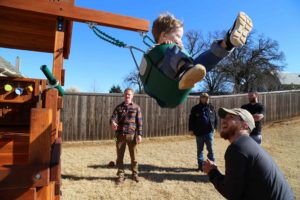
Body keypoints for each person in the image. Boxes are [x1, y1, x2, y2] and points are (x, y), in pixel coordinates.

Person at [203, 107, 294, 200]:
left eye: (231, 117)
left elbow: (231, 193)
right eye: (224, 117)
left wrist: (212, 171)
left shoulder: (238, 148)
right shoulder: (247, 145)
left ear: (245, 125)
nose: (223, 120)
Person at [150, 11, 253, 89]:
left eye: (181, 38)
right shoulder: (156, 52)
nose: (180, 40)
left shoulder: (176, 50)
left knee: (201, 63)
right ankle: (187, 70)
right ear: (164, 36)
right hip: (166, 79)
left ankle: (227, 43)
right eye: (178, 36)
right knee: (173, 50)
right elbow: (151, 59)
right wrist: (167, 46)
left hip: (181, 78)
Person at [110, 88, 143, 185]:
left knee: (134, 157)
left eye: (129, 94)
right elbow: (113, 118)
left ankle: (135, 174)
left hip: (132, 136)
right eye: (126, 94)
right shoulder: (118, 108)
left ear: (132, 96)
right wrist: (112, 122)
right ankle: (121, 175)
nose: (127, 96)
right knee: (119, 157)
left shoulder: (137, 108)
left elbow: (139, 123)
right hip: (119, 136)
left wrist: (140, 134)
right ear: (124, 95)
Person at [188, 93, 217, 171]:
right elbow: (191, 120)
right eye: (204, 98)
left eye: (207, 98)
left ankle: (212, 165)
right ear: (200, 98)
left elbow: (215, 118)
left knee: (210, 149)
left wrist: (215, 127)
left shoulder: (211, 107)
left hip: (209, 133)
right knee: (200, 150)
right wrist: (191, 129)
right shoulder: (195, 108)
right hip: (199, 133)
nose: (206, 99)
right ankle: (200, 166)